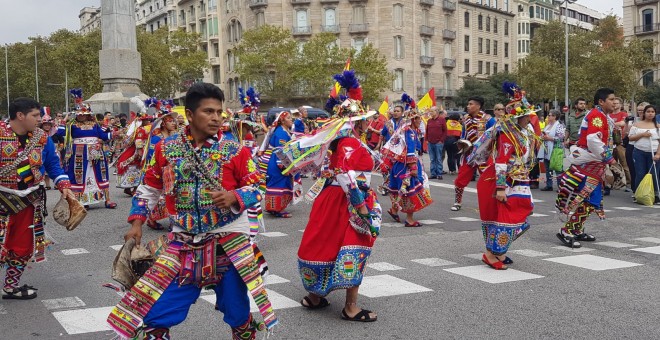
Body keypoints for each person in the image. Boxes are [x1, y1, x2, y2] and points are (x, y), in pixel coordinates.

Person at [107, 83, 276, 340]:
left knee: (238, 314)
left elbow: (258, 187)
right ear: (189, 114)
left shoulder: (236, 150)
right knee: (157, 314)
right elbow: (150, 187)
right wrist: (137, 222)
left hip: (229, 241)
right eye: (209, 111)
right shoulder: (165, 148)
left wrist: (235, 196)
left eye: (219, 112)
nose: (216, 118)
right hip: (184, 241)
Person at [0, 98, 73, 299]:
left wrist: (63, 186)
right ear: (20, 116)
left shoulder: (41, 138)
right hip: (2, 198)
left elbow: (52, 164)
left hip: (29, 200)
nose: (40, 119)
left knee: (23, 245)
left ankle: (11, 286)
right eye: (35, 115)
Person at [470, 83, 536, 270]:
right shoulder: (507, 134)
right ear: (519, 117)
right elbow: (501, 161)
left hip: (517, 179)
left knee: (521, 212)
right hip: (504, 180)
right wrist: (500, 187)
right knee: (507, 216)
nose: (530, 118)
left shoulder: (520, 133)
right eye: (527, 116)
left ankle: (498, 250)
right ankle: (492, 254)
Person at [556, 88, 617, 248]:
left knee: (591, 199)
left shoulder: (603, 116)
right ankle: (567, 230)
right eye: (611, 99)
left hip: (593, 164)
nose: (614, 102)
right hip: (588, 166)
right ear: (601, 102)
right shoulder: (597, 116)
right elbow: (592, 140)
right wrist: (609, 158)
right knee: (592, 199)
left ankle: (576, 229)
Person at [58, 89, 117, 209]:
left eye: (83, 114)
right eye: (79, 114)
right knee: (80, 176)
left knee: (101, 174)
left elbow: (104, 136)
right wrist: (64, 121)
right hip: (79, 154)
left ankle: (106, 199)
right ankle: (82, 200)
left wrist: (115, 134)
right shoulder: (71, 125)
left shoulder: (95, 125)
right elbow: (59, 133)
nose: (81, 116)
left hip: (96, 153)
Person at [381, 94, 433, 227]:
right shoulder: (409, 131)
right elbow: (410, 149)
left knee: (397, 188)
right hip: (407, 165)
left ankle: (393, 209)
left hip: (398, 164)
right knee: (410, 190)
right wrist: (413, 167)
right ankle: (409, 219)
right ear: (414, 119)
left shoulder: (403, 130)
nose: (420, 121)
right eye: (418, 119)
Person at [142, 100, 179, 230]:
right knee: (160, 197)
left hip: (173, 171)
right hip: (160, 171)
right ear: (163, 123)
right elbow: (152, 159)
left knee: (174, 196)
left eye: (174, 120)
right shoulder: (156, 139)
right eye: (170, 121)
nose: (174, 123)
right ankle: (152, 219)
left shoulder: (176, 137)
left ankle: (173, 221)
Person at [451, 96, 487, 211]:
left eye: (471, 104)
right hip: (469, 153)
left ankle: (490, 202)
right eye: (468, 104)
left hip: (483, 154)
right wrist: (462, 142)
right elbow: (464, 134)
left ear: (478, 106)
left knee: (488, 178)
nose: (468, 106)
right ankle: (457, 201)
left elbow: (494, 135)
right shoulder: (466, 119)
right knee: (461, 178)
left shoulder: (487, 119)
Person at [260, 111, 295, 217]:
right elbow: (280, 151)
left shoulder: (282, 130)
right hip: (277, 163)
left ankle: (273, 208)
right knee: (279, 185)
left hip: (273, 161)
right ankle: (277, 210)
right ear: (283, 121)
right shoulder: (281, 133)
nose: (291, 120)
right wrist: (283, 167)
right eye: (289, 118)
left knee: (274, 184)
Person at [115, 103, 153, 197]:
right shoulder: (141, 130)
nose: (148, 121)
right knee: (138, 170)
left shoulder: (144, 129)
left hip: (142, 149)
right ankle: (134, 188)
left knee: (137, 170)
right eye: (146, 120)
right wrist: (140, 151)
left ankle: (130, 188)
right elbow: (138, 141)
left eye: (148, 120)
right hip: (138, 151)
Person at [628, 104, 660, 204]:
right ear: (644, 113)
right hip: (639, 152)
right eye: (648, 112)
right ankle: (638, 194)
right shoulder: (637, 125)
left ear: (655, 114)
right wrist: (642, 134)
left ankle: (655, 194)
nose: (650, 114)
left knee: (654, 174)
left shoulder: (658, 126)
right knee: (640, 173)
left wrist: (658, 154)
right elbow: (630, 138)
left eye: (652, 112)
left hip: (653, 152)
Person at [538, 110, 565, 191]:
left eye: (550, 115)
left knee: (557, 168)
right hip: (546, 150)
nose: (548, 117)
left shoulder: (558, 126)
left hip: (555, 149)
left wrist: (549, 138)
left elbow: (560, 138)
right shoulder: (548, 125)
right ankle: (549, 185)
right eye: (548, 115)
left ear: (555, 117)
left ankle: (560, 186)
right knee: (547, 168)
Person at [609, 97, 631, 191]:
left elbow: (623, 123)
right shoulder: (608, 114)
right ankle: (614, 182)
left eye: (617, 103)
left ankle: (629, 183)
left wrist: (611, 123)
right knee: (611, 163)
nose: (614, 105)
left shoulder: (623, 114)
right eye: (613, 103)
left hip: (620, 142)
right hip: (609, 142)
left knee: (624, 163)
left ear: (620, 105)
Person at [625, 102, 649, 192]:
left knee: (646, 170)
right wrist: (627, 123)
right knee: (633, 169)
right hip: (632, 146)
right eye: (639, 110)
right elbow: (627, 134)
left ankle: (648, 190)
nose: (640, 112)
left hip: (647, 148)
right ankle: (635, 190)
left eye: (642, 110)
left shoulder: (653, 122)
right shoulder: (633, 120)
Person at [426, 106, 447, 179]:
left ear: (436, 112)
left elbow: (445, 131)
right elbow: (427, 131)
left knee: (438, 158)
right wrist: (427, 140)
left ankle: (439, 173)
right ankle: (433, 173)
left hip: (438, 142)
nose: (430, 113)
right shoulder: (429, 121)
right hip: (430, 142)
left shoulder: (442, 120)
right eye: (430, 111)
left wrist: (441, 140)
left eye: (432, 111)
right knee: (432, 159)